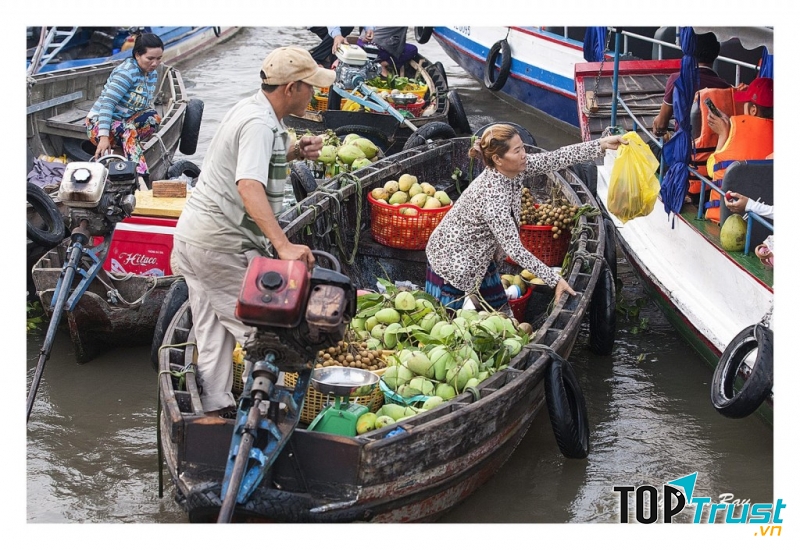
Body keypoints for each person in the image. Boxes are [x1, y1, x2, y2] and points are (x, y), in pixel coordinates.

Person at [171, 46, 335, 416]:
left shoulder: (253, 108)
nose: (314, 94)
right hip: (220, 243)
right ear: (291, 87)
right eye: (311, 87)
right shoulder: (259, 124)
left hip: (194, 239)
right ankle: (263, 416)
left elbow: (246, 164)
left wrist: (293, 152)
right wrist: (283, 244)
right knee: (261, 333)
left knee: (212, 329)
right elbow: (248, 186)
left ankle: (215, 406)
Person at [425, 124, 627, 314]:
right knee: (447, 324)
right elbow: (515, 250)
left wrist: (600, 145)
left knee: (503, 318)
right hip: (450, 260)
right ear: (497, 159)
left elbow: (556, 158)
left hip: (481, 256)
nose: (524, 155)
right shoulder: (493, 195)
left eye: (522, 148)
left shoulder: (514, 169)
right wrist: (554, 280)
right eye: (517, 151)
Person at [85, 32, 165, 185]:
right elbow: (107, 104)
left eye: (159, 58)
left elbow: (144, 105)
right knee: (129, 131)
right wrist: (102, 138)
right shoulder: (126, 73)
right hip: (99, 124)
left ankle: (129, 146)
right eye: (150, 58)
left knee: (153, 119)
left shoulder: (151, 73)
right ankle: (142, 180)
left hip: (124, 122)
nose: (155, 63)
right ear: (137, 55)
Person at [705, 76, 774, 222]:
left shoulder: (734, 125)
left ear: (753, 109)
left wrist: (723, 135)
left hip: (727, 219)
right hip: (766, 219)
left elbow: (712, 170)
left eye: (745, 102)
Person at [652, 32, 730, 137]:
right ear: (716, 52)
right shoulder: (725, 86)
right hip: (715, 148)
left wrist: (658, 126)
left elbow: (661, 125)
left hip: (685, 149)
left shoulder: (677, 80)